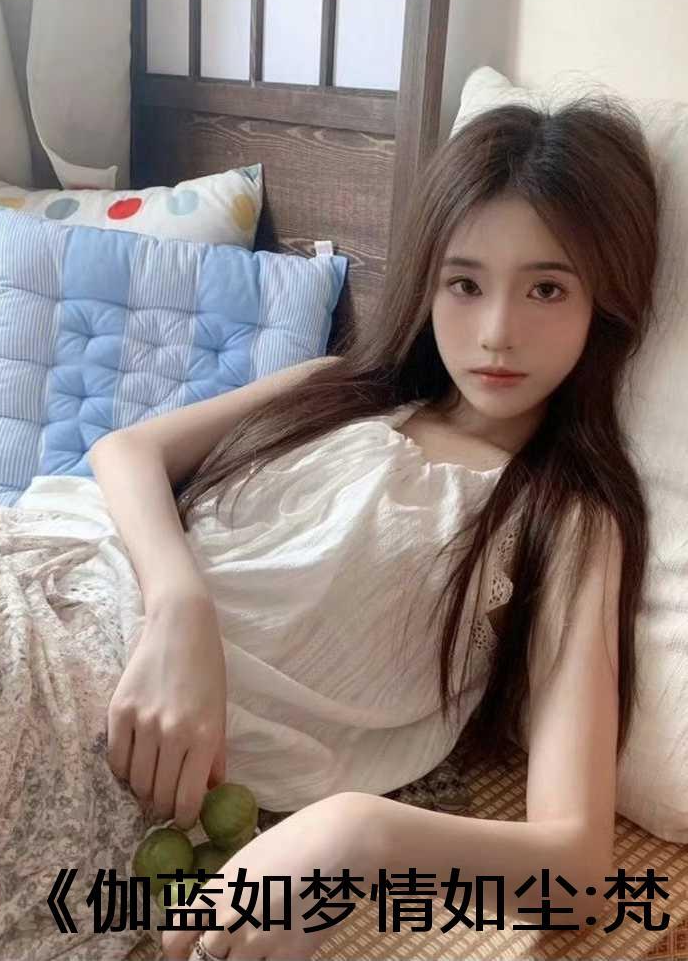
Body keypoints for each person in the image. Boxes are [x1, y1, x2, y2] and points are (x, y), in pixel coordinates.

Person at [88, 94, 659, 961]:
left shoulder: (566, 524)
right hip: (43, 581)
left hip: (99, 750)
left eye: (545, 288)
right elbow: (127, 451)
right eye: (464, 283)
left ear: (603, 303)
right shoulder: (335, 389)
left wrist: (354, 833)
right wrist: (179, 608)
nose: (495, 333)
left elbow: (574, 871)